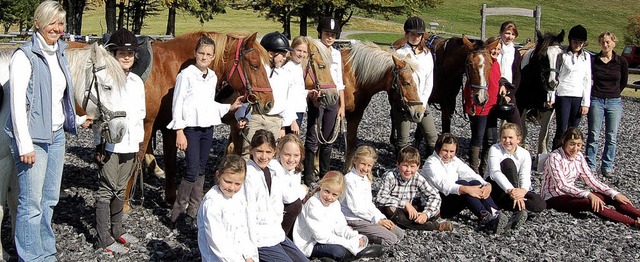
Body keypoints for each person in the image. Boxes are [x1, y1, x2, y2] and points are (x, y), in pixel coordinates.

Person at [6, 1, 91, 260]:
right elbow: (17, 104)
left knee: (49, 199)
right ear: (38, 23)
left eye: (61, 23)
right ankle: (30, 256)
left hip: (56, 137)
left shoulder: (60, 52)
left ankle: (45, 250)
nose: (57, 28)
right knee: (30, 203)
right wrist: (24, 144)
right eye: (52, 22)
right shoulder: (24, 56)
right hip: (33, 139)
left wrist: (74, 121)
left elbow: (58, 99)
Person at [167, 35, 243, 227]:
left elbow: (209, 105)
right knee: (191, 170)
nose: (204, 57)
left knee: (202, 168)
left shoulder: (212, 77)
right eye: (201, 53)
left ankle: (193, 211)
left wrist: (229, 107)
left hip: (206, 129)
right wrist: (179, 130)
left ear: (212, 57)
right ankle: (177, 213)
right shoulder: (186, 75)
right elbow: (177, 104)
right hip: (191, 129)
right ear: (195, 54)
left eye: (208, 54)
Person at [93, 28, 145, 253]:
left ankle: (117, 230)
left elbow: (140, 114)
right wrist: (99, 143)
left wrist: (139, 145)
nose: (126, 57)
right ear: (113, 55)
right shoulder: (106, 81)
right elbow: (99, 115)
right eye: (121, 53)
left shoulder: (137, 82)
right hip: (111, 143)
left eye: (130, 53)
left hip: (131, 143)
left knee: (121, 187)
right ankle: (103, 237)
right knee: (106, 187)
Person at [542, 127, 640, 228]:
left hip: (572, 194)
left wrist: (614, 193)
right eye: (572, 144)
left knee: (612, 197)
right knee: (591, 202)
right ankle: (633, 223)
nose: (575, 148)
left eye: (578, 145)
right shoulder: (554, 157)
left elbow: (591, 180)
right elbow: (562, 185)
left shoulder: (578, 156)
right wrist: (588, 194)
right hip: (554, 197)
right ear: (564, 141)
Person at [422, 134, 509, 234]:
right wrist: (466, 189)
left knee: (475, 183)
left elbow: (470, 174)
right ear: (438, 149)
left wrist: (486, 185)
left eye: (452, 151)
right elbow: (444, 186)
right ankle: (486, 217)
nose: (448, 155)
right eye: (445, 150)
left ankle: (495, 214)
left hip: (450, 197)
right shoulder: (431, 163)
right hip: (437, 204)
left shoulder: (454, 160)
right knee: (463, 184)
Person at [243, 129, 308, 262]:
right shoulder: (248, 175)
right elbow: (247, 214)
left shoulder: (272, 170)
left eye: (268, 152)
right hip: (259, 238)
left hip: (275, 233)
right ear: (251, 150)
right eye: (259, 151)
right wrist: (248, 250)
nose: (263, 156)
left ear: (274, 152)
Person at [293, 171, 384, 261]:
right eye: (327, 191)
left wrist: (354, 236)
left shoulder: (335, 204)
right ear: (321, 186)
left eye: (334, 195)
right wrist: (348, 243)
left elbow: (340, 226)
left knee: (351, 242)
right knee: (338, 251)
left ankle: (342, 256)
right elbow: (321, 236)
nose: (329, 197)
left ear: (339, 194)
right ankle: (359, 254)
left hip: (330, 237)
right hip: (310, 243)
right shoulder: (313, 204)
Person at [237, 31, 297, 159]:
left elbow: (288, 102)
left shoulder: (285, 75)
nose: (285, 57)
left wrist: (284, 125)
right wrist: (243, 116)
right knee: (248, 152)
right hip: (256, 117)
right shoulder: (257, 71)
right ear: (270, 54)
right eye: (282, 54)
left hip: (275, 120)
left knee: (270, 154)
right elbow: (246, 95)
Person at [303, 17, 345, 186]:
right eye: (327, 33)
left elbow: (339, 80)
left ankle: (324, 175)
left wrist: (341, 105)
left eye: (333, 34)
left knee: (328, 138)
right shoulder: (314, 51)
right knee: (313, 136)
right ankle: (308, 177)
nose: (330, 37)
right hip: (318, 97)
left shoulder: (337, 54)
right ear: (320, 33)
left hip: (333, 98)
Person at [392, 16, 438, 157]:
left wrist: (423, 103)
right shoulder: (399, 53)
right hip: (404, 101)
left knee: (432, 136)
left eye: (419, 34)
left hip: (421, 100)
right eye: (412, 34)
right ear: (407, 34)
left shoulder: (427, 54)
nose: (416, 37)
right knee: (403, 139)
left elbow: (429, 80)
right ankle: (401, 166)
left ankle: (430, 164)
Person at [197, 155, 259, 262]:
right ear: (218, 175)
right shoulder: (212, 203)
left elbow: (243, 230)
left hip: (240, 256)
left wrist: (249, 255)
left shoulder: (238, 198)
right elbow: (217, 242)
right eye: (228, 182)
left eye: (238, 184)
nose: (232, 188)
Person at [375, 146, 451, 231]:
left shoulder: (417, 178)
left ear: (418, 167)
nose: (408, 170)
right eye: (405, 165)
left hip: (408, 212)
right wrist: (405, 204)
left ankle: (416, 222)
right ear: (397, 164)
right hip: (393, 211)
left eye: (412, 166)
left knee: (436, 211)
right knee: (390, 209)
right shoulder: (390, 176)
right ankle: (435, 226)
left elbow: (434, 196)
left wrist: (425, 214)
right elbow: (380, 198)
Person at [484, 123, 546, 228]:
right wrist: (511, 190)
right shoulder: (495, 149)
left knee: (539, 203)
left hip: (515, 191)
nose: (507, 141)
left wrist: (522, 191)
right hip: (496, 187)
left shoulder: (525, 154)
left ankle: (515, 208)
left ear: (518, 139)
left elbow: (525, 176)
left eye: (510, 138)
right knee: (508, 163)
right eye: (504, 137)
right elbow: (495, 173)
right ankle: (518, 209)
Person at [341, 145, 405, 246]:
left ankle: (372, 229)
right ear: (355, 161)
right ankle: (359, 236)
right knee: (391, 239)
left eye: (369, 165)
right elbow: (355, 208)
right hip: (354, 219)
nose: (365, 169)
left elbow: (368, 203)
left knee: (399, 234)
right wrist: (376, 220)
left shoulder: (365, 178)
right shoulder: (350, 180)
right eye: (363, 164)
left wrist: (381, 217)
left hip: (366, 217)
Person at [586, 31, 628, 177]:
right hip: (596, 99)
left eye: (608, 42)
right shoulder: (594, 60)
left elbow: (623, 82)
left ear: (614, 43)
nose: (605, 45)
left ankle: (607, 166)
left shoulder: (621, 61)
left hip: (614, 102)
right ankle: (590, 165)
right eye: (603, 42)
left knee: (611, 135)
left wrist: (615, 93)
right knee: (593, 134)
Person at [463, 37, 503, 174]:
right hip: (480, 106)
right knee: (477, 138)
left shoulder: (495, 64)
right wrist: (470, 104)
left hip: (492, 105)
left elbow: (497, 81)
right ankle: (474, 170)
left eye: (498, 49)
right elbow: (469, 86)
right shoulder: (480, 61)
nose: (495, 51)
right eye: (494, 49)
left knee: (491, 138)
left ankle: (484, 169)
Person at [551, 25, 592, 149]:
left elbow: (587, 80)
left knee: (574, 130)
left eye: (580, 42)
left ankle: (571, 157)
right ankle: (556, 155)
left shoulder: (586, 57)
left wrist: (586, 103)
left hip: (578, 96)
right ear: (570, 41)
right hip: (563, 95)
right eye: (575, 41)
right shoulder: (562, 55)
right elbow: (555, 77)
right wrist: (552, 96)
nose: (577, 44)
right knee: (562, 129)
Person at [276, 134, 308, 237]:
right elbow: (287, 197)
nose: (291, 159)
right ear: (278, 152)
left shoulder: (295, 169)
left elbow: (293, 192)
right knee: (296, 204)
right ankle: (283, 235)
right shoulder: (274, 168)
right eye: (287, 154)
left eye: (296, 155)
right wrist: (303, 189)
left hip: (283, 208)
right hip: (272, 212)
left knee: (307, 199)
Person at [495, 21, 523, 126]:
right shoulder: (495, 49)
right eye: (507, 33)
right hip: (493, 89)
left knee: (516, 125)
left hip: (508, 90)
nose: (510, 37)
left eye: (513, 34)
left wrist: (511, 93)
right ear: (501, 32)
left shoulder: (515, 52)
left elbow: (517, 74)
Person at [283, 36, 310, 134]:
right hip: (291, 115)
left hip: (298, 111)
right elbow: (286, 98)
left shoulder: (298, 67)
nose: (301, 54)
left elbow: (295, 91)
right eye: (299, 50)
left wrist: (308, 92)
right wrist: (292, 120)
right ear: (291, 50)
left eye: (304, 52)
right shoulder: (288, 69)